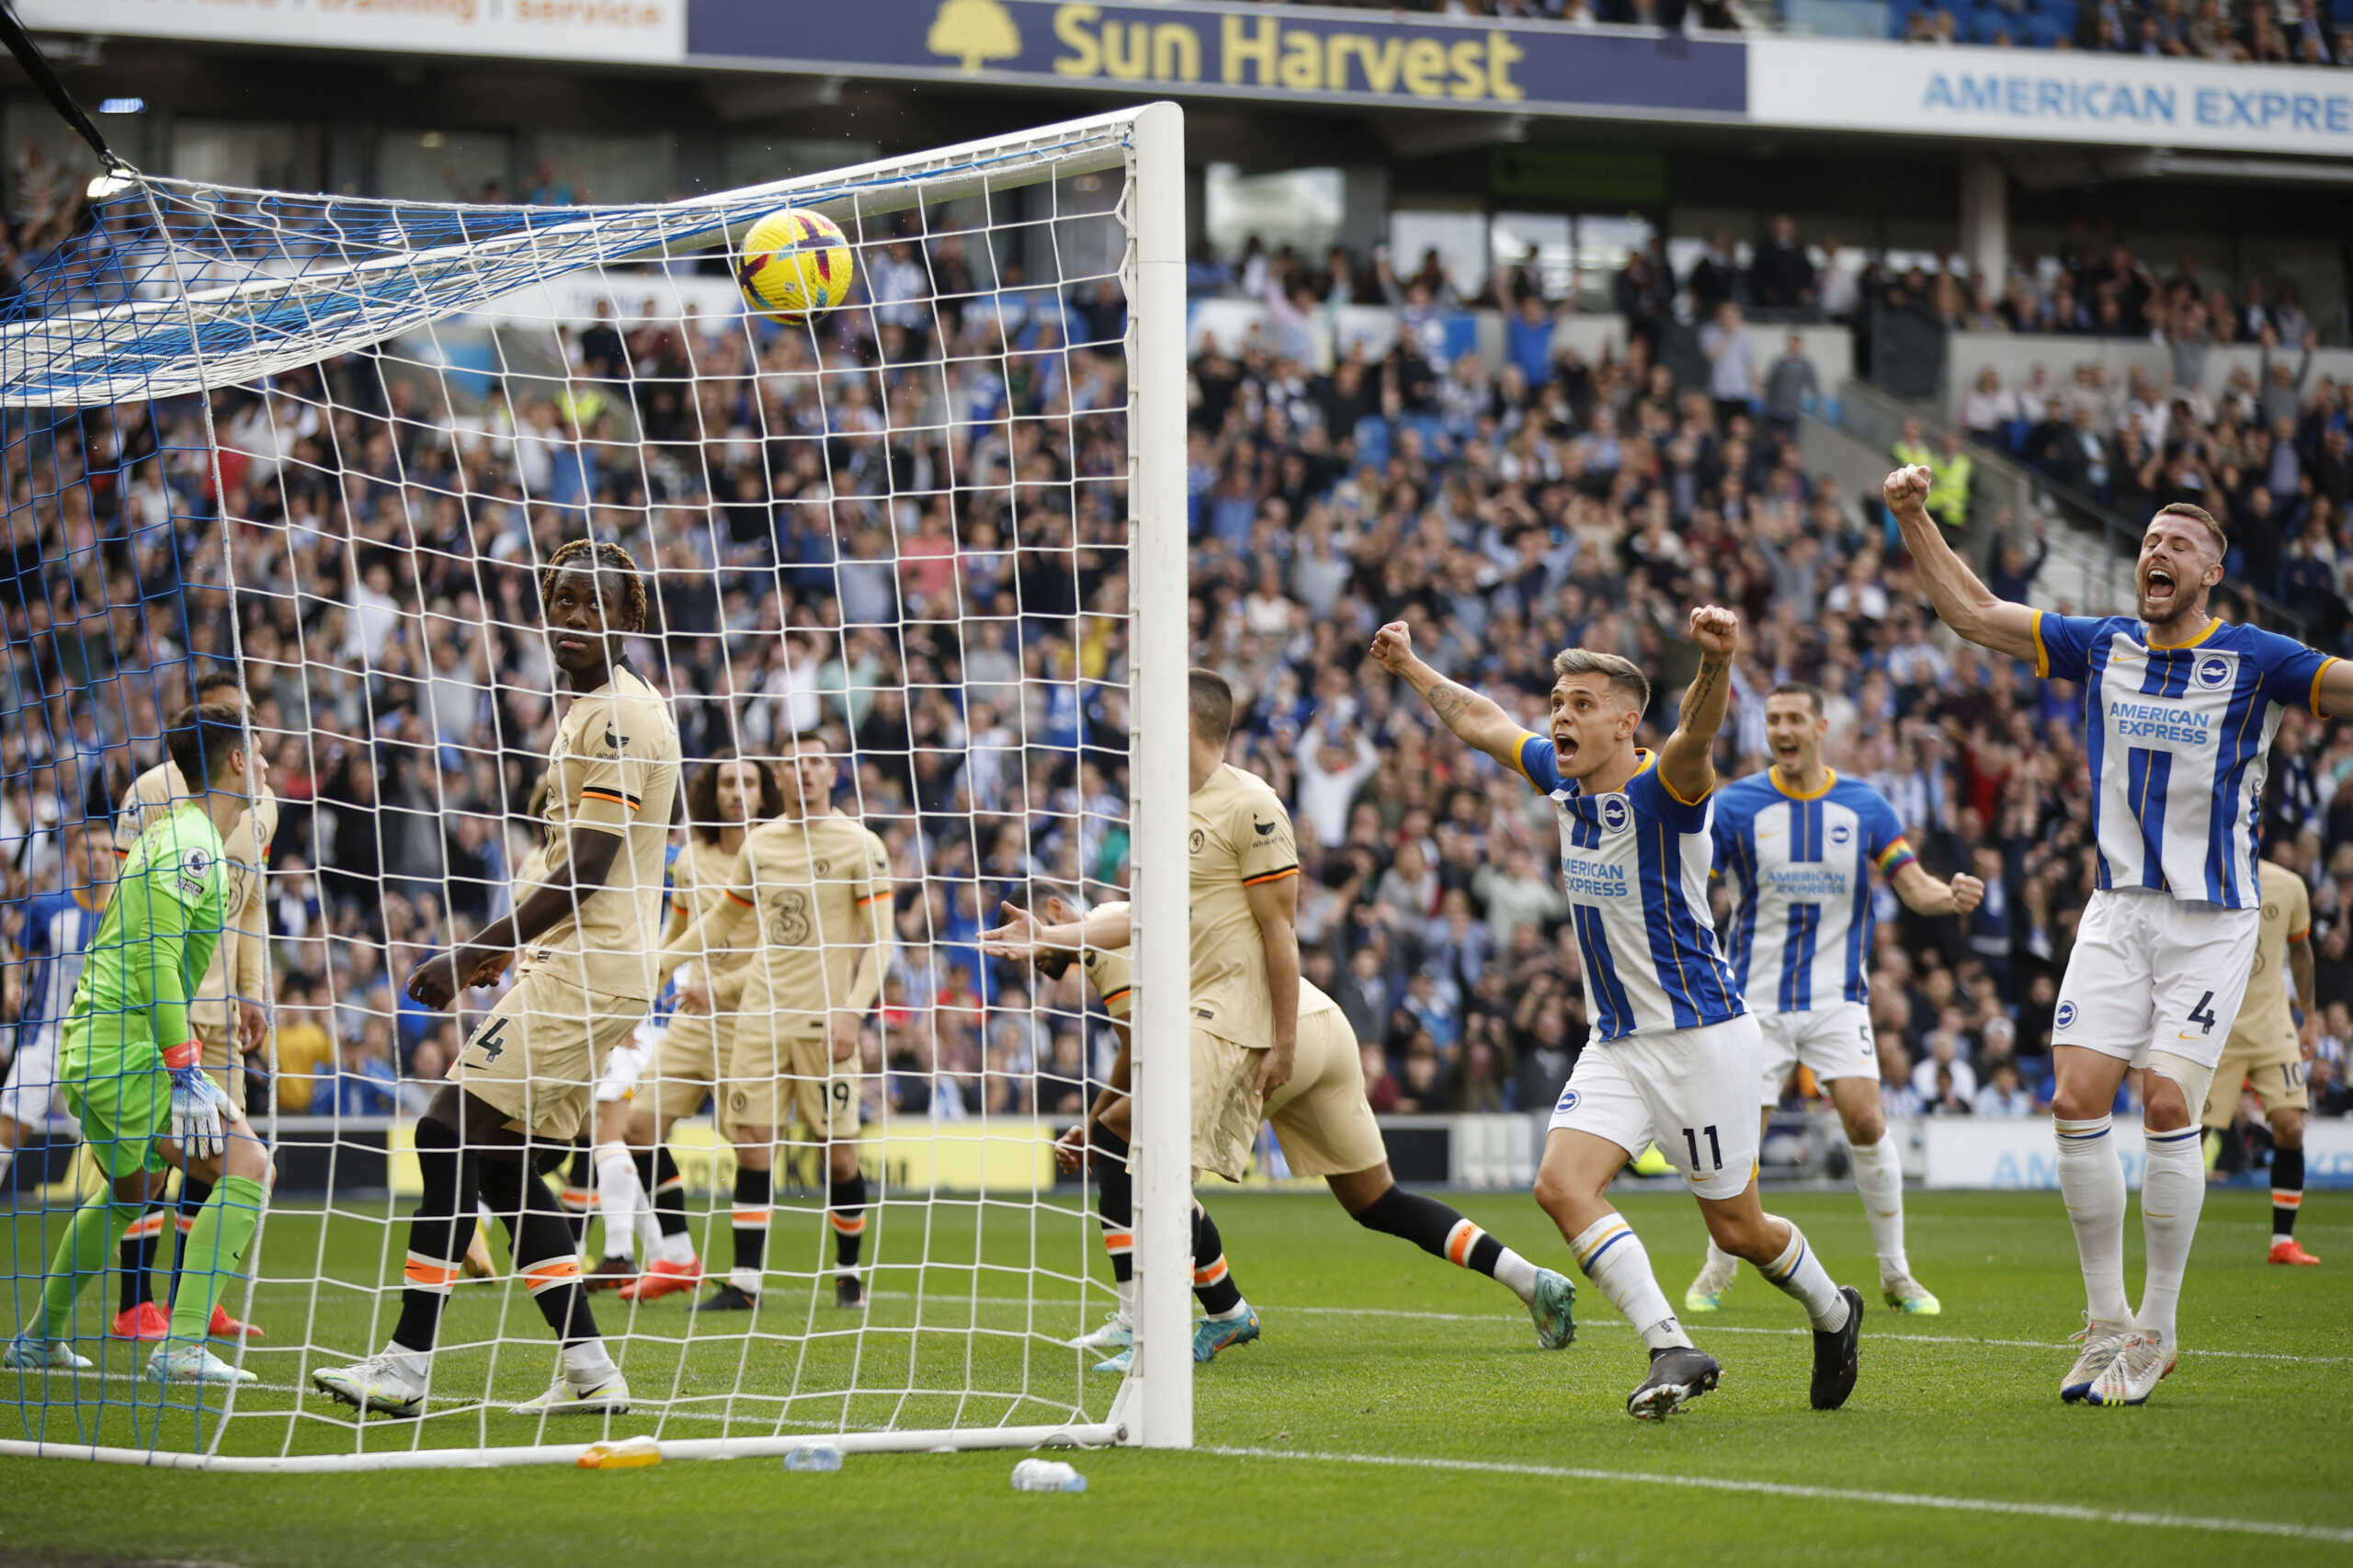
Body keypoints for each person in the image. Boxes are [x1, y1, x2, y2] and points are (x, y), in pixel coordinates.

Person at [1885, 464, 2353, 1405]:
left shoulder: (2257, 657)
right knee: (2072, 1094)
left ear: (2212, 572)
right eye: (2147, 540)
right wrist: (1910, 517)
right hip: (2118, 908)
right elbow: (1974, 614)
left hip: (2213, 918)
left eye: (2177, 544)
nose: (2155, 551)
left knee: (2168, 1103)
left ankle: (2159, 1327)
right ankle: (2104, 1321)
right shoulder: (2100, 642)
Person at [1370, 613, 1863, 1421]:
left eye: (1582, 704)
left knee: (1739, 1230)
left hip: (1702, 1039)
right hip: (1619, 1044)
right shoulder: (1562, 781)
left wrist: (1717, 660)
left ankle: (1835, 1312)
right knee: (1560, 1186)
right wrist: (1414, 667)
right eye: (1558, 701)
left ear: (1626, 723)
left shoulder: (1664, 789)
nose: (1560, 716)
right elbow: (1483, 721)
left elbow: (1697, 737)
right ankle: (1670, 1342)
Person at [312, 539, 680, 1417]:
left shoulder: (621, 715)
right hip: (578, 959)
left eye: (597, 605)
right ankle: (591, 1369)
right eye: (563, 603)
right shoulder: (588, 711)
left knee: (444, 1135)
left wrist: (473, 951)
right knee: (508, 1160)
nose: (576, 619)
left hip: (589, 963)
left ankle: (406, 1366)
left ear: (630, 617)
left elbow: (590, 863)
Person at [992, 892, 1575, 1371]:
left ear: (1055, 909)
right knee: (1378, 1201)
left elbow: (1135, 1056)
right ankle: (1528, 1278)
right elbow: (1133, 1056)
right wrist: (1095, 1125)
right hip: (1320, 1025)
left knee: (1139, 1156)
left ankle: (1187, 1318)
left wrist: (1096, 1131)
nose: (1028, 956)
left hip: (1260, 1036)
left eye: (1028, 936)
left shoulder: (1095, 937)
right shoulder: (1118, 922)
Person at [1686, 682, 1984, 1317]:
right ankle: (1717, 1267)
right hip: (1754, 1001)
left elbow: (1912, 886)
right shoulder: (1736, 806)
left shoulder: (1864, 806)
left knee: (1868, 1122)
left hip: (1836, 999)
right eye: (1773, 719)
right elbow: (1689, 880)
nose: (1783, 729)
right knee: (1742, 1138)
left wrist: (1947, 896)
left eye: (1795, 718)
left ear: (1821, 727)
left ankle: (1897, 1275)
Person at [4, 703, 272, 1388]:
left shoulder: (187, 836)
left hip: (103, 1046)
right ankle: (181, 1345)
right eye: (260, 752)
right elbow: (155, 959)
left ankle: (38, 1340)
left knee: (132, 1193)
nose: (268, 764)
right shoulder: (191, 843)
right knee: (249, 1165)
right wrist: (185, 1069)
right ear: (236, 761)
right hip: (128, 1051)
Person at [634, 737, 889, 1311]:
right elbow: (723, 916)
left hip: (826, 1023)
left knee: (838, 1153)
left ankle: (849, 1272)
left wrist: (852, 1009)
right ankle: (744, 1283)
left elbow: (881, 940)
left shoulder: (860, 844)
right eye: (792, 765)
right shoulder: (761, 846)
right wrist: (664, 961)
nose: (803, 774)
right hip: (758, 1018)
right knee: (751, 1143)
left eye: (814, 763)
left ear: (832, 772)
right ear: (782, 776)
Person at [108, 667, 273, 1344]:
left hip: (223, 1007)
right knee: (147, 1162)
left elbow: (252, 900)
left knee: (215, 1161)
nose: (251, 739)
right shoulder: (151, 792)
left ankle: (191, 1299)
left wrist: (253, 991)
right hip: (161, 1003)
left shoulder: (263, 806)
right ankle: (133, 1302)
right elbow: (124, 897)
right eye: (235, 722)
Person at [585, 754, 779, 1297]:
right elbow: (676, 935)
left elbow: (781, 951)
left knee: (752, 1141)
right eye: (726, 781)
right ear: (709, 792)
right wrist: (636, 998)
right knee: (638, 1127)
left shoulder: (778, 856)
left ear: (764, 795)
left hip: (753, 1019)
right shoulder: (689, 861)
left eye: (748, 782)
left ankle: (746, 1282)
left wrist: (716, 989)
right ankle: (678, 1257)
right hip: (696, 1020)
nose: (736, 791)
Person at [2197, 853, 2321, 1267]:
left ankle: (2282, 1241)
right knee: (2190, 1136)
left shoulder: (2288, 885)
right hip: (2216, 1026)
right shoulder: (2201, 875)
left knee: (2290, 1125)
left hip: (2273, 1027)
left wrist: (2310, 1017)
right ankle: (2170, 1237)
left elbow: (2301, 952)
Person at [0, 823, 111, 1196]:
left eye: (104, 850)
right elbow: (18, 956)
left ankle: (120, 1242)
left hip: (102, 1046)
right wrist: (14, 985)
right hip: (44, 1037)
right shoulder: (48, 907)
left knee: (115, 1153)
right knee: (8, 1132)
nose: (97, 857)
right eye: (89, 849)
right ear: (73, 855)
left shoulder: (126, 913)